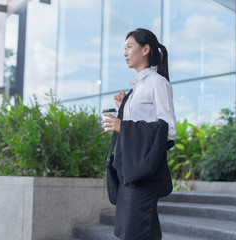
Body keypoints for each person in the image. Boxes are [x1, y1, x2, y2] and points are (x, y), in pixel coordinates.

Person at [101, 28, 177, 240]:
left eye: (129, 47)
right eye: (124, 48)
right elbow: (139, 127)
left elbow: (169, 130)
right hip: (129, 173)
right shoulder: (135, 90)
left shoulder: (157, 83)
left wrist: (122, 126)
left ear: (145, 49)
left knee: (134, 233)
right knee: (140, 232)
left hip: (144, 175)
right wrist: (123, 110)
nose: (125, 53)